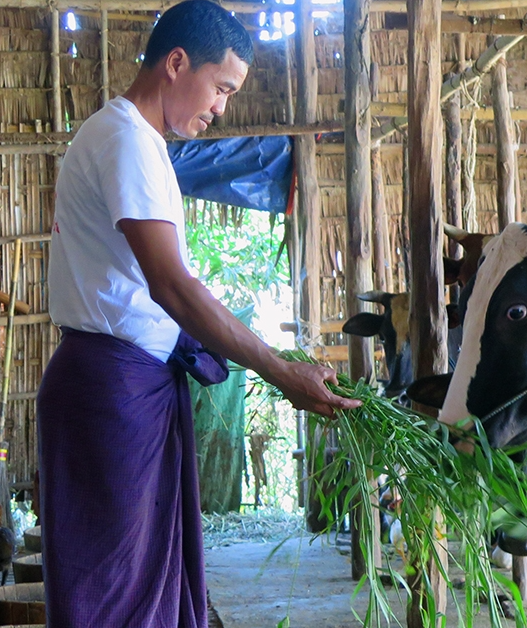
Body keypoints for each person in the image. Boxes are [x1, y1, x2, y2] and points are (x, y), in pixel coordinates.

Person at [35, 2, 360, 626]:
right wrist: (276, 369)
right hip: (111, 392)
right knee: (115, 599)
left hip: (123, 386)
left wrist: (274, 360)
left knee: (135, 591)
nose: (222, 107)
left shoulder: (138, 141)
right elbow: (173, 288)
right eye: (221, 88)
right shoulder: (126, 139)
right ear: (176, 63)